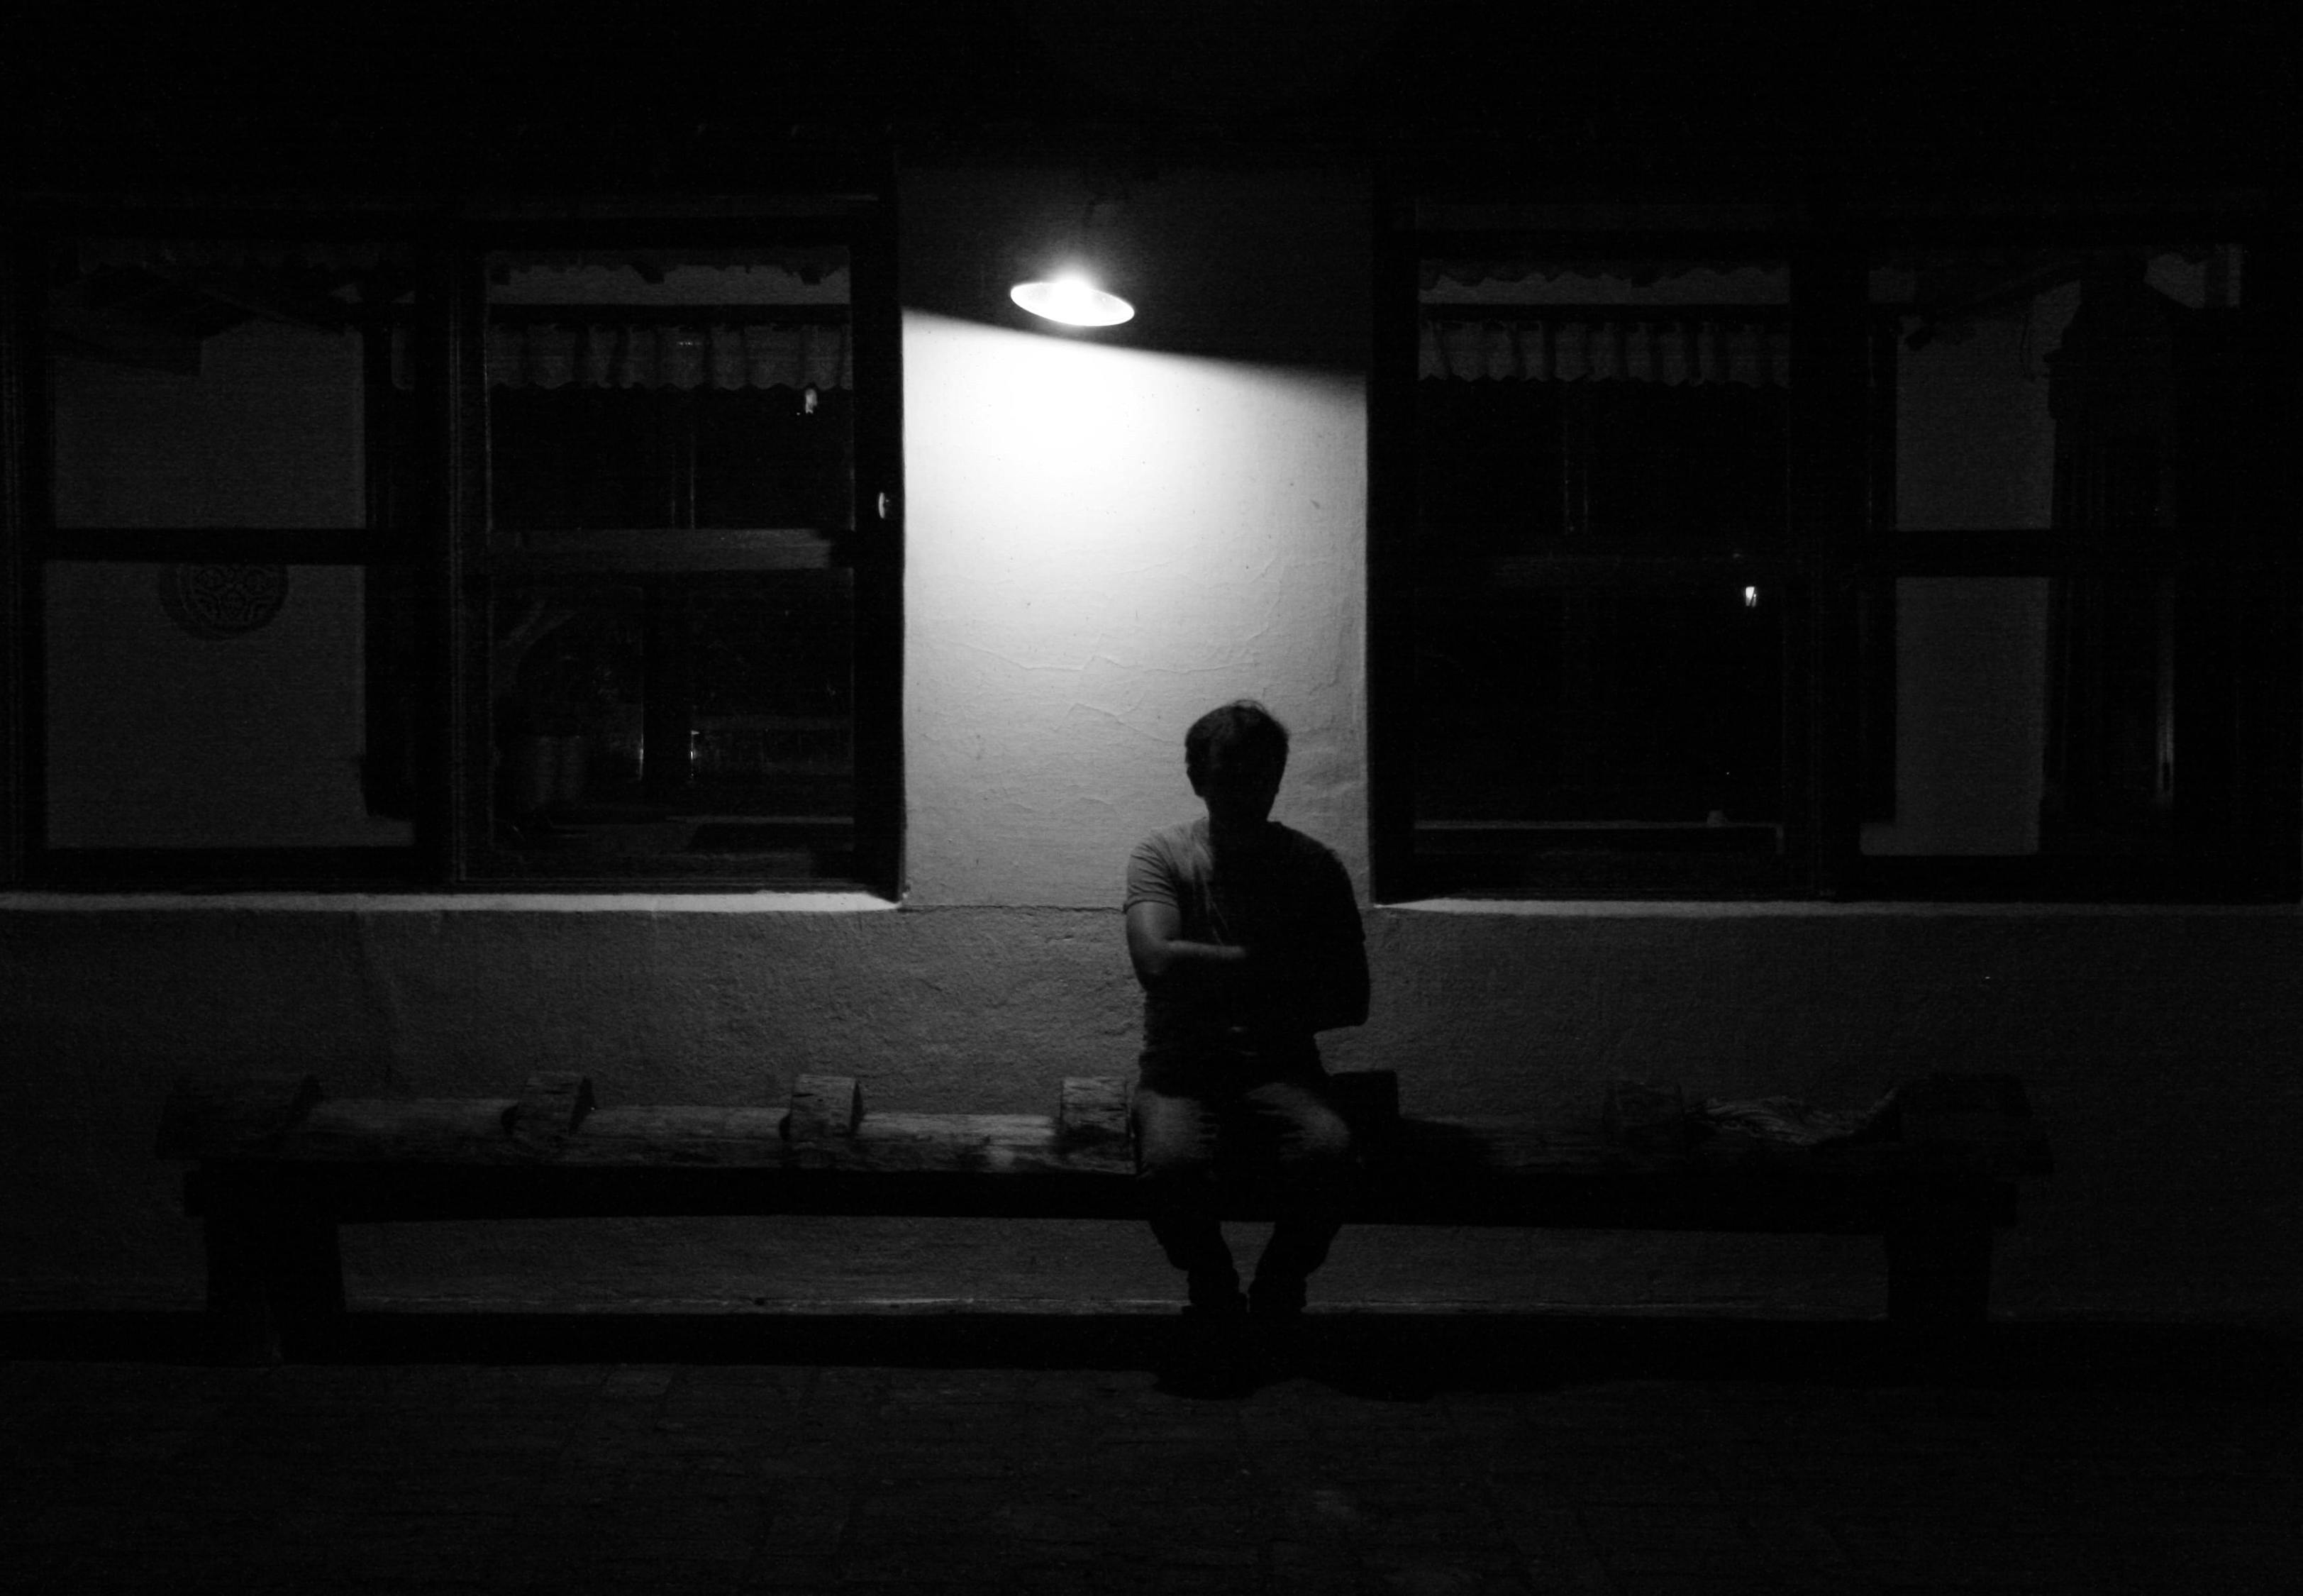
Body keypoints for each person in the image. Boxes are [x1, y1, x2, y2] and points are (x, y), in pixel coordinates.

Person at [1123, 700, 1369, 1367]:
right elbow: (1155, 963)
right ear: (1197, 778)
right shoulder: (1163, 854)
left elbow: (1350, 998)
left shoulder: (1313, 866)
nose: (1247, 791)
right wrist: (1276, 967)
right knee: (1170, 1169)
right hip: (1181, 1070)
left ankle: (1279, 1286)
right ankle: (1214, 1286)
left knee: (1329, 1154)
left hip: (1280, 1069)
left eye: (1261, 775)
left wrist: (1203, 970)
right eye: (1229, 775)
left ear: (1278, 777)